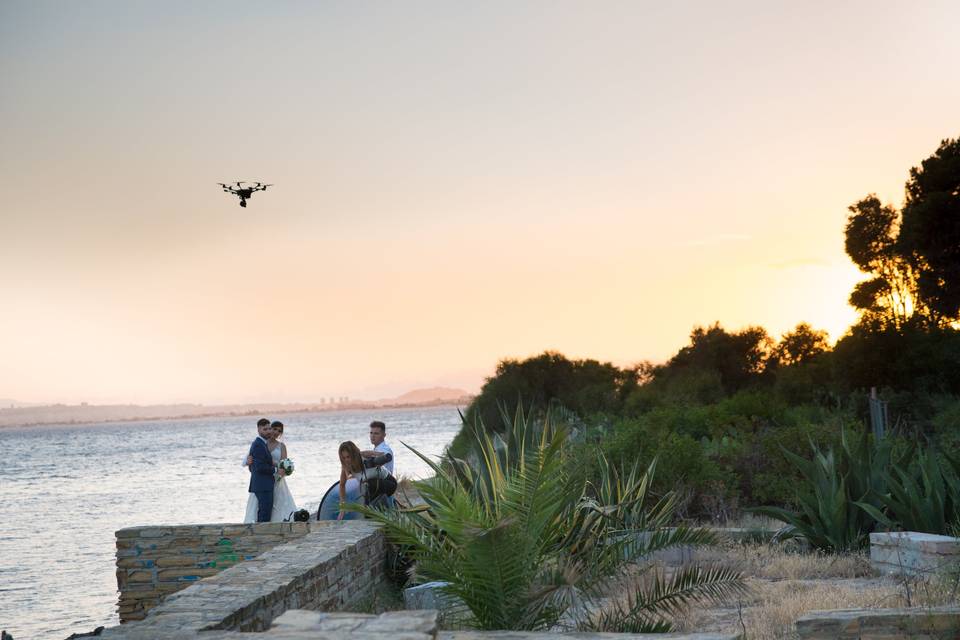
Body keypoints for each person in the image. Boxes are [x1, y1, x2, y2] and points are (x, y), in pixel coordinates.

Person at [337, 440, 393, 520]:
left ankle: (385, 513)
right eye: (344, 458)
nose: (346, 460)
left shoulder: (363, 457)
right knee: (366, 492)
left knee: (367, 486)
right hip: (373, 489)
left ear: (353, 454)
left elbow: (384, 456)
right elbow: (342, 485)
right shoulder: (346, 466)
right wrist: (342, 507)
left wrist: (378, 457)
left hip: (389, 483)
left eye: (348, 457)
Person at [245, 418, 276, 523]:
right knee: (264, 514)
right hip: (262, 485)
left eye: (269, 429)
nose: (268, 431)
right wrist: (275, 469)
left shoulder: (262, 443)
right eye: (265, 429)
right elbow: (260, 467)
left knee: (264, 513)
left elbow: (254, 466)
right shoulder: (258, 445)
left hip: (263, 484)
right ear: (258, 430)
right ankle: (262, 537)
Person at [363, 420, 395, 507]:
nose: (372, 436)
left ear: (384, 435)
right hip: (380, 489)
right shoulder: (377, 449)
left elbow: (384, 456)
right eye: (371, 433)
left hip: (383, 491)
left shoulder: (384, 450)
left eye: (376, 433)